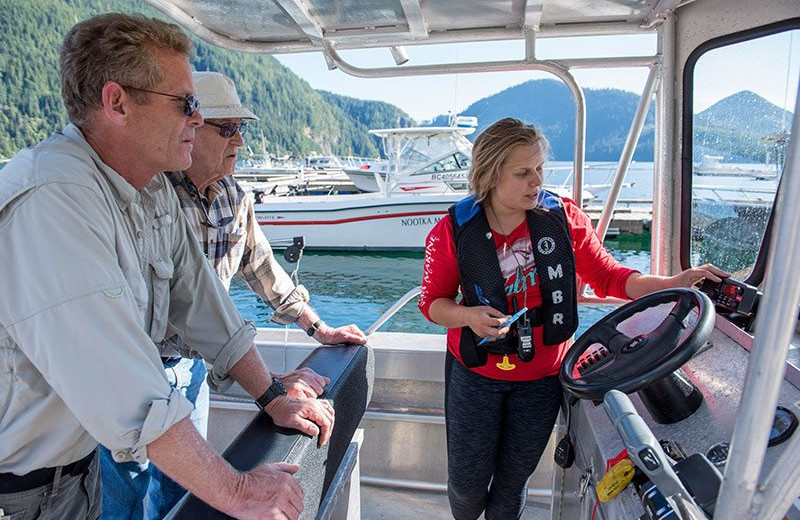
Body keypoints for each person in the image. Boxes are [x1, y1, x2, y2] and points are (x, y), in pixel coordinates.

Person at [0, 13, 336, 520]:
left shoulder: (150, 187)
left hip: (78, 468)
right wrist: (240, 492)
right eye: (187, 103)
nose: (197, 119)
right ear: (117, 103)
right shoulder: (54, 200)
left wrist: (270, 394)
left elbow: (202, 299)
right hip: (18, 491)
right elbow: (122, 384)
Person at [418, 117, 728, 520]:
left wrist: (675, 281)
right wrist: (467, 315)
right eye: (523, 172)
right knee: (467, 486)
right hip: (475, 376)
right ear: (491, 175)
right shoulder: (451, 232)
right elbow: (432, 303)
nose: (537, 181)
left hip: (543, 378)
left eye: (540, 169)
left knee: (513, 482)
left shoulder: (561, 218)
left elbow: (610, 277)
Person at [98, 70, 368, 519]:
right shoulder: (149, 198)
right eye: (228, 129)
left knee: (178, 492)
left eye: (242, 129)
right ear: (190, 127)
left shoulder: (235, 198)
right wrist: (271, 391)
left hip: (193, 371)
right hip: (135, 374)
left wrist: (318, 328)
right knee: (122, 500)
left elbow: (263, 270)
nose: (239, 141)